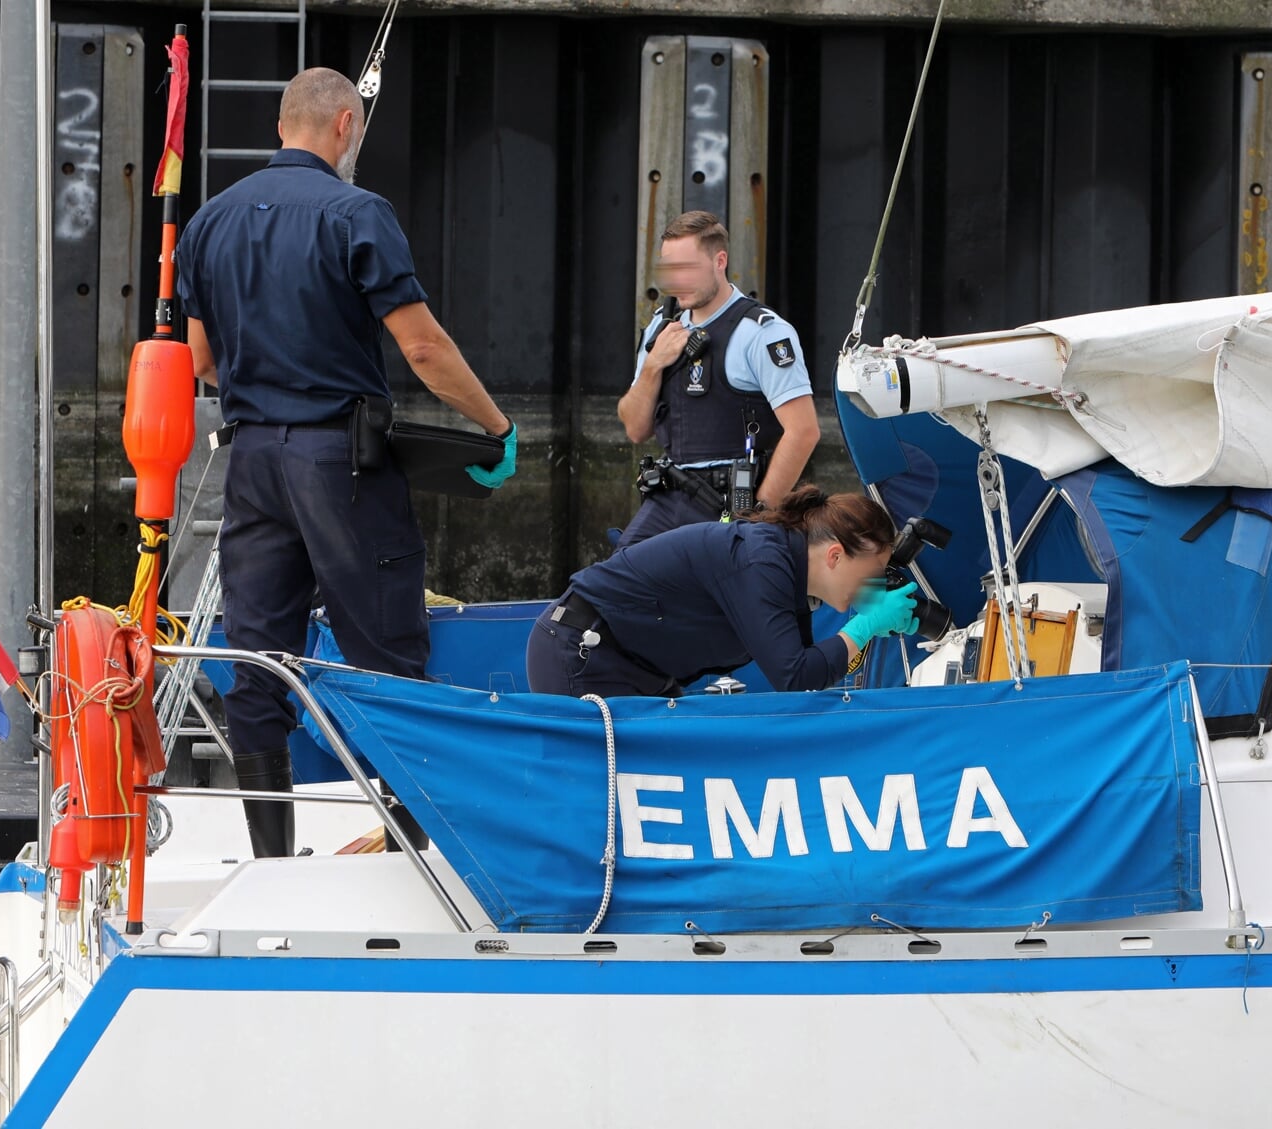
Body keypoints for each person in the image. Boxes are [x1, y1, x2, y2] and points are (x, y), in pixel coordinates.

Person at [178, 68, 517, 858]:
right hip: (339, 460)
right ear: (343, 128)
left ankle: (271, 856)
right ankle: (406, 845)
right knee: (387, 650)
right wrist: (494, 426)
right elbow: (423, 347)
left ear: (279, 124)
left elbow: (199, 361)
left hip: (252, 460)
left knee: (258, 655)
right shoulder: (358, 212)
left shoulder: (208, 222)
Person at [527, 487, 919, 698]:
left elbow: (808, 680)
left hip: (643, 670)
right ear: (835, 555)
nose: (873, 586)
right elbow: (794, 676)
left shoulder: (788, 568)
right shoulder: (762, 563)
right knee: (589, 796)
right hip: (583, 649)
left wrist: (864, 632)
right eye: (872, 573)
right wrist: (864, 626)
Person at [614, 211, 820, 549]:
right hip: (668, 499)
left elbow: (804, 431)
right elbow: (636, 429)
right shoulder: (660, 329)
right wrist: (653, 365)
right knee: (615, 584)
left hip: (730, 503)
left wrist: (757, 516)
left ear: (719, 261)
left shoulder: (762, 333)